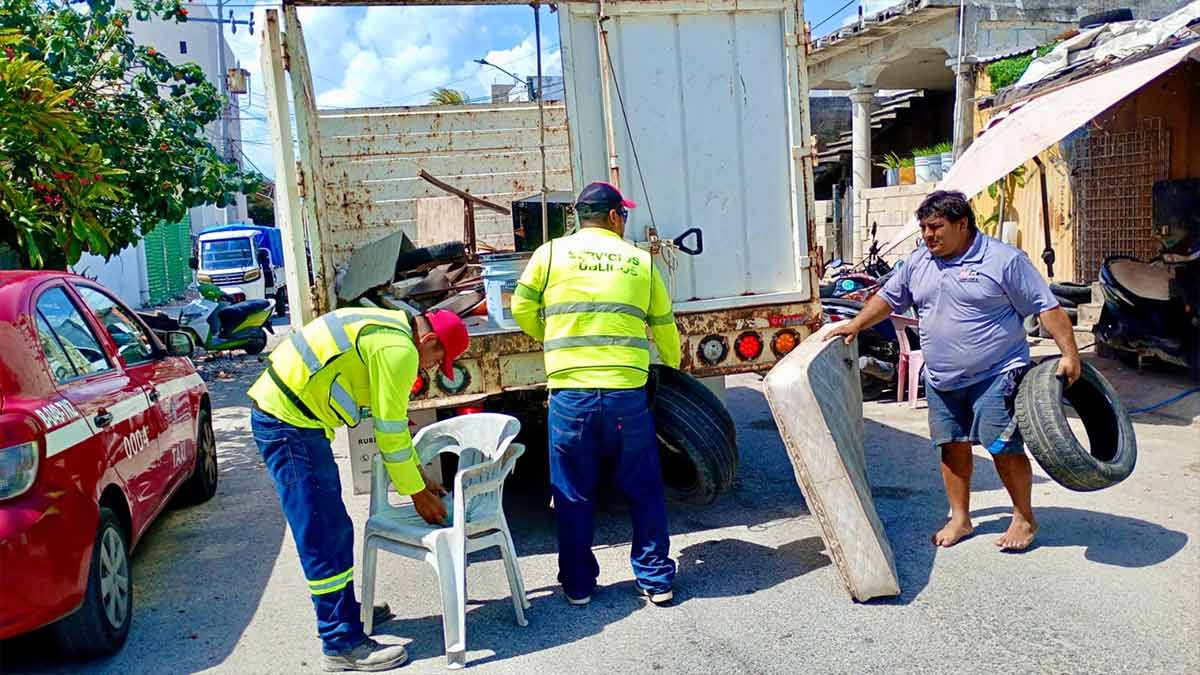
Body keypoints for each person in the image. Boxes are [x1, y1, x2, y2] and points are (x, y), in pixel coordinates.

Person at [827, 190, 1080, 551]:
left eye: (936, 227)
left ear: (963, 225)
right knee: (952, 446)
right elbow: (888, 299)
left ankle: (1024, 516)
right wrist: (856, 325)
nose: (928, 235)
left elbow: (1046, 307)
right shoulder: (918, 262)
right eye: (924, 228)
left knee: (1002, 446)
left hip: (997, 373)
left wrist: (1069, 355)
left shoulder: (1004, 261)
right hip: (941, 378)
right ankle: (960, 518)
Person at [247, 308, 468, 670]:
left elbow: (393, 426)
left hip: (293, 419)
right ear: (428, 341)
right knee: (322, 531)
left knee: (334, 526)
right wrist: (418, 496)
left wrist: (419, 477)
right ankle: (340, 641)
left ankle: (346, 612)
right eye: (436, 360)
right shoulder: (400, 350)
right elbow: (390, 432)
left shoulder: (391, 329)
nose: (429, 369)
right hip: (287, 424)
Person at [511, 181, 682, 606]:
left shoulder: (548, 255)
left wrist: (552, 337)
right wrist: (674, 366)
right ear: (612, 217)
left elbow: (520, 307)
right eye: (623, 214)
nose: (625, 221)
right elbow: (664, 326)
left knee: (572, 490)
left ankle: (578, 585)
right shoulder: (640, 262)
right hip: (626, 396)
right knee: (643, 487)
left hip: (572, 397)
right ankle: (655, 579)